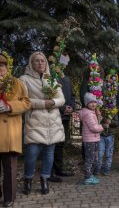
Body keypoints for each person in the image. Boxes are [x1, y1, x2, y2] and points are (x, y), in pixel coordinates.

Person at [20, 52, 65, 195]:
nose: (40, 63)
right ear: (31, 63)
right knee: (32, 153)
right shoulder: (24, 79)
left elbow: (61, 99)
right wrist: (42, 103)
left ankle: (45, 179)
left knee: (49, 153)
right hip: (35, 121)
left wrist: (53, 102)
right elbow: (23, 101)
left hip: (53, 122)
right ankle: (27, 179)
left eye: (43, 61)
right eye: (37, 61)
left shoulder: (52, 78)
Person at [0, 53, 31, 207]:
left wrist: (9, 106)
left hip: (9, 133)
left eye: (2, 66)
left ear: (7, 67)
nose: (0, 69)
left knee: (10, 169)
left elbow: (26, 103)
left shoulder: (16, 83)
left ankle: (9, 198)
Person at [49, 75, 75, 182]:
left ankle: (59, 169)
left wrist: (71, 106)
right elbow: (50, 97)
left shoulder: (67, 78)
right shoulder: (51, 77)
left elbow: (73, 95)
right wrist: (63, 108)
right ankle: (49, 172)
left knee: (61, 143)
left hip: (66, 116)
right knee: (52, 143)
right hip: (55, 115)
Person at [78, 92, 104, 185]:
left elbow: (96, 122)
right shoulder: (88, 114)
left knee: (94, 159)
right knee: (90, 159)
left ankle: (90, 175)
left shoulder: (92, 112)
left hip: (94, 139)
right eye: (91, 102)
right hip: (90, 140)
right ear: (86, 103)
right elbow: (94, 127)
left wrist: (98, 116)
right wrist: (102, 127)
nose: (93, 104)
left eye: (95, 102)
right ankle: (87, 177)